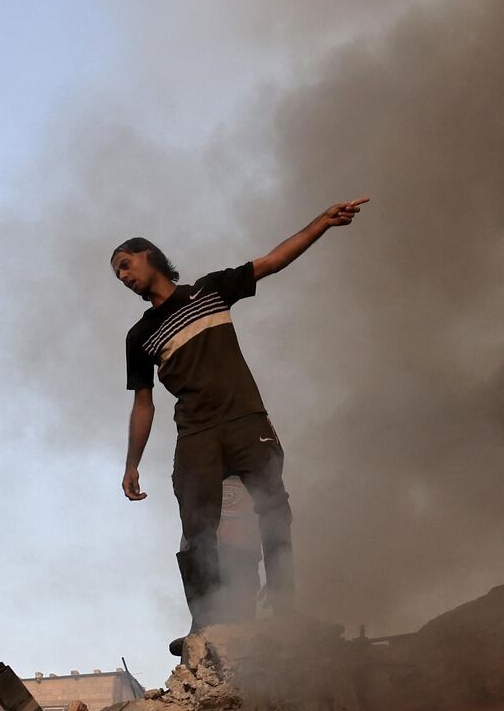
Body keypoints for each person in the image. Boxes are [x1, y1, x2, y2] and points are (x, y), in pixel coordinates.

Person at [110, 198, 368, 655]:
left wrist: (323, 223)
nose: (124, 277)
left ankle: (286, 610)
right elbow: (143, 403)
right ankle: (206, 625)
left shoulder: (210, 291)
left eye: (126, 265)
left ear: (149, 256)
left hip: (247, 421)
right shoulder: (139, 335)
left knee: (274, 509)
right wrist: (132, 464)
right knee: (197, 526)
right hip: (197, 435)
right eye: (118, 275)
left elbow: (271, 261)